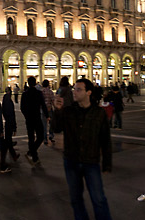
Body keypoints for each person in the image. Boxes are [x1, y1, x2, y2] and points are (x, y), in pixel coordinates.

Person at [56, 79, 114, 219]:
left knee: (98, 198)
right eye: (74, 89)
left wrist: (106, 162)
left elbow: (105, 140)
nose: (74, 92)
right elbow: (56, 128)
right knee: (76, 199)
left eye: (78, 89)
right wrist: (57, 111)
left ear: (88, 92)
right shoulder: (68, 111)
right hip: (71, 160)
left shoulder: (98, 113)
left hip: (91, 161)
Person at [21, 78, 50, 165]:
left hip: (29, 118)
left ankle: (33, 154)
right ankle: (33, 155)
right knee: (40, 136)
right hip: (37, 117)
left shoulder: (25, 94)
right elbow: (43, 105)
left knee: (31, 137)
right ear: (35, 83)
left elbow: (22, 107)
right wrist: (47, 115)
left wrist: (26, 115)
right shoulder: (38, 93)